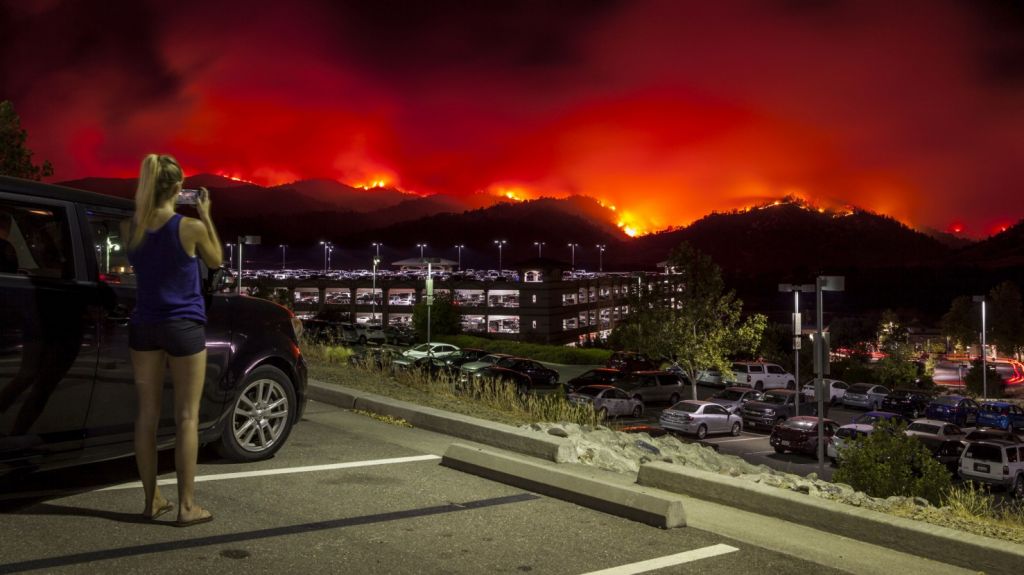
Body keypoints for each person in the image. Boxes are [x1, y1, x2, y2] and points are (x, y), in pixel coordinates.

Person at [127, 154, 222, 526]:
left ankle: (151, 501)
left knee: (146, 416)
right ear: (180, 188)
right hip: (184, 326)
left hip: (144, 326)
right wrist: (208, 214)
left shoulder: (131, 227)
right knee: (186, 416)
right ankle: (186, 507)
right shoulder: (190, 227)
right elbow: (215, 261)